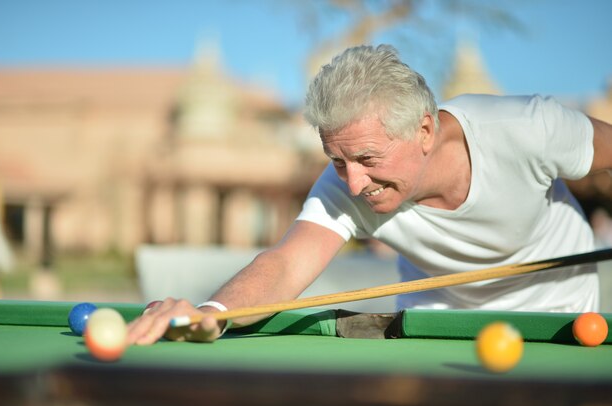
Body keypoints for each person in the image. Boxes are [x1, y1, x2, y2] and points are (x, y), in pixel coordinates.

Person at [128, 44, 612, 345]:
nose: (353, 183)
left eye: (368, 159)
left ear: (424, 130)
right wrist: (212, 314)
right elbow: (286, 264)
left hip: (562, 324)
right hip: (433, 333)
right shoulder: (343, 182)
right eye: (338, 160)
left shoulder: (531, 128)